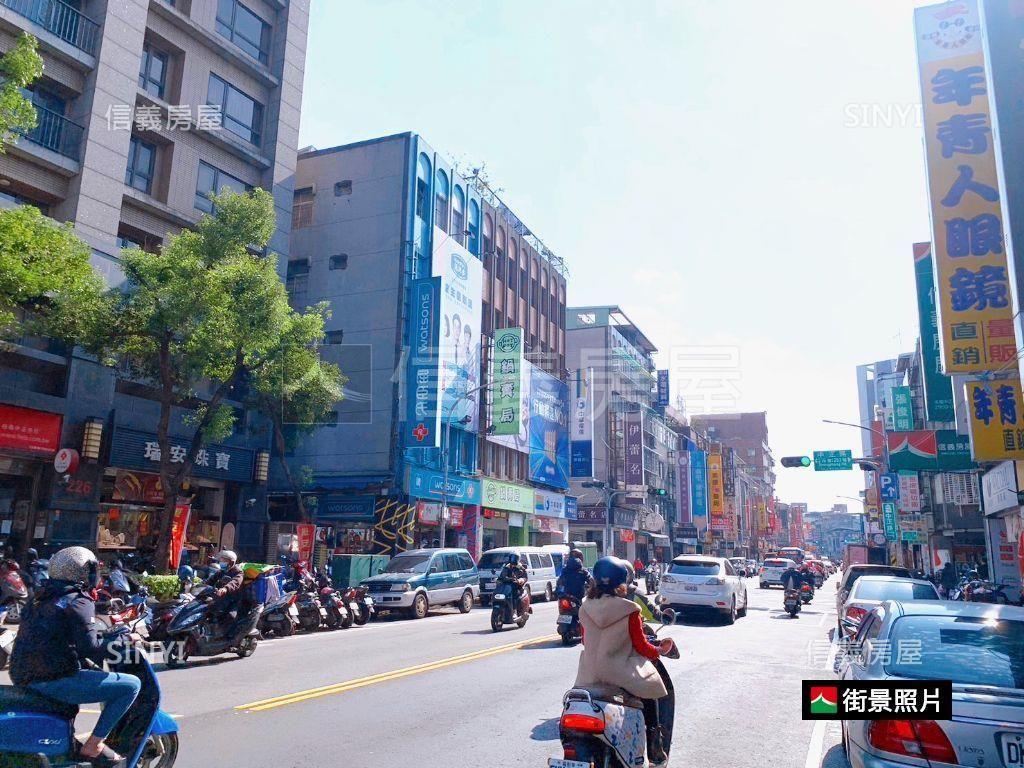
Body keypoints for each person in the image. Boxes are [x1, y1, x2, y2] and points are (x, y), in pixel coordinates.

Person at [10, 546, 141, 763]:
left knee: (84, 669)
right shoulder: (78, 600)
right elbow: (91, 648)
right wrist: (125, 640)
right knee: (131, 685)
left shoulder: (40, 597)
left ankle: (70, 738)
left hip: (22, 675)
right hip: (51, 681)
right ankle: (94, 744)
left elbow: (61, 633)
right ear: (86, 573)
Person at [575, 556, 675, 764]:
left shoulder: (585, 607)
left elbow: (585, 640)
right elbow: (641, 646)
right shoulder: (630, 610)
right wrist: (659, 650)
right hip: (619, 674)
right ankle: (655, 747)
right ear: (622, 583)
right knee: (652, 694)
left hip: (589, 674)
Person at [204, 550, 244, 628]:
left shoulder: (238, 572)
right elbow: (211, 580)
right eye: (221, 560)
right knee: (207, 610)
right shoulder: (221, 571)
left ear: (231, 562)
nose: (221, 562)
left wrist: (225, 588)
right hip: (220, 597)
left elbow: (235, 582)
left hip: (233, 599)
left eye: (224, 561)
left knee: (230, 616)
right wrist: (201, 585)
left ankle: (228, 634)